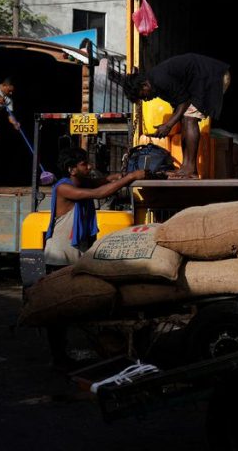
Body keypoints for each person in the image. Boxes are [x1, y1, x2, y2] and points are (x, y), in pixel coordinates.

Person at [41, 148, 145, 369]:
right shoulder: (64, 188)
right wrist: (130, 178)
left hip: (75, 256)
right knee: (59, 313)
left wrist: (113, 178)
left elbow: (99, 183)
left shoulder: (81, 182)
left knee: (78, 307)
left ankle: (70, 354)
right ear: (72, 169)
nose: (88, 167)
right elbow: (98, 193)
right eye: (83, 164)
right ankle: (58, 358)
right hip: (59, 257)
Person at [122, 54, 231, 179]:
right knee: (186, 118)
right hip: (201, 81)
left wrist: (168, 125)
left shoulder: (160, 80)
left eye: (144, 96)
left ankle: (191, 169)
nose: (146, 100)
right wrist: (169, 124)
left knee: (190, 119)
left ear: (145, 85)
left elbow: (184, 102)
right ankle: (185, 167)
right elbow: (180, 105)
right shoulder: (156, 86)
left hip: (213, 77)